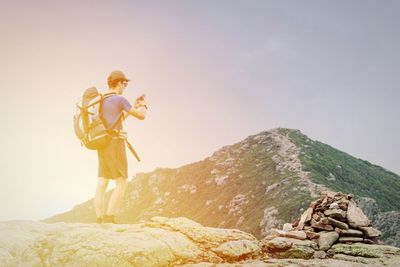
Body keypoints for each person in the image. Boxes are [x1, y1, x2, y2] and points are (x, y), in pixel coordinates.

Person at [94, 70, 147, 224]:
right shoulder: (120, 99)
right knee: (121, 181)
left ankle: (99, 218)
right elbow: (142, 117)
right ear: (118, 82)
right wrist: (143, 106)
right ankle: (110, 217)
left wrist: (133, 106)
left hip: (102, 143)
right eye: (124, 83)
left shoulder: (102, 100)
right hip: (115, 144)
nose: (125, 86)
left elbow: (118, 117)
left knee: (102, 181)